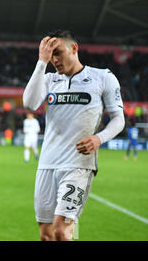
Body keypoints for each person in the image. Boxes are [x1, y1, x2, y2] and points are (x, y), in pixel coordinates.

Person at [23, 30, 125, 241]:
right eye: (51, 55)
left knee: (62, 231)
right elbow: (29, 103)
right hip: (47, 164)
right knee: (46, 235)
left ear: (74, 48)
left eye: (58, 52)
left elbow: (119, 119)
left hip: (78, 165)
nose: (55, 59)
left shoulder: (102, 77)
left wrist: (99, 139)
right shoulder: (50, 79)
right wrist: (41, 62)